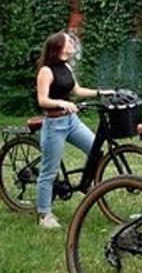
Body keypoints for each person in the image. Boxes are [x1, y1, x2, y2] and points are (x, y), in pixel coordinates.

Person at [34, 30, 114, 230]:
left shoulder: (66, 67)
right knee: (49, 171)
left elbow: (76, 91)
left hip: (72, 121)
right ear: (59, 48)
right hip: (55, 125)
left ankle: (88, 184)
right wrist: (61, 103)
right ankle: (44, 214)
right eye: (68, 42)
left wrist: (100, 92)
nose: (72, 44)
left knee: (96, 151)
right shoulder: (46, 71)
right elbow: (42, 100)